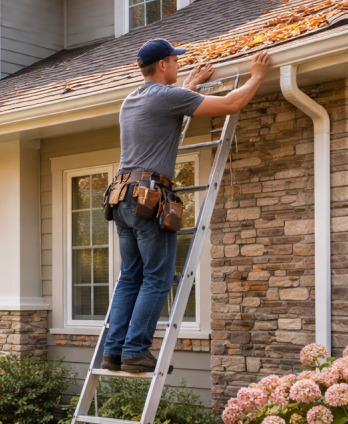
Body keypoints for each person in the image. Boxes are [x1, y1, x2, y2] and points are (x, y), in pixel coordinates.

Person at [103, 38, 271, 373]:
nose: (179, 66)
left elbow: (168, 112)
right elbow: (230, 105)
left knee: (130, 277)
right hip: (148, 199)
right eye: (175, 62)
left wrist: (191, 84)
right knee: (157, 279)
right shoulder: (167, 97)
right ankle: (136, 352)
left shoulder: (131, 100)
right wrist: (256, 75)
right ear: (163, 65)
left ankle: (114, 352)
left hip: (122, 197)